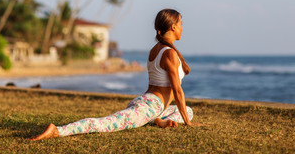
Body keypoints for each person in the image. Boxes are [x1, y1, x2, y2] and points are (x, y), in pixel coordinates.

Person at [30, 9, 204, 141]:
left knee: (187, 111)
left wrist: (185, 117)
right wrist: (187, 124)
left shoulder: (155, 50)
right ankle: (58, 130)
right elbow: (177, 90)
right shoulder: (169, 53)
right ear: (173, 27)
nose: (182, 27)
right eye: (181, 23)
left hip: (148, 103)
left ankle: (157, 120)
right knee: (105, 123)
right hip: (149, 107)